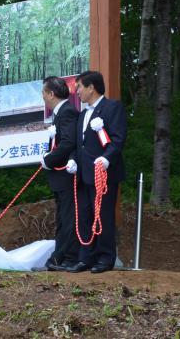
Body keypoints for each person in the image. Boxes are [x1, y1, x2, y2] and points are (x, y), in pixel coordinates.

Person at [63, 71, 127, 273]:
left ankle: (105, 258)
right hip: (82, 175)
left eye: (80, 87)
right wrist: (73, 160)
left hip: (103, 174)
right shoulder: (83, 114)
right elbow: (78, 144)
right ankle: (86, 258)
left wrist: (107, 158)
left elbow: (118, 138)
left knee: (103, 216)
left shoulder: (112, 107)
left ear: (91, 87)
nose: (77, 91)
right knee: (84, 216)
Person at [40, 76, 80, 271]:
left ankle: (68, 258)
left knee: (68, 216)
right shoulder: (61, 113)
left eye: (43, 92)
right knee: (62, 216)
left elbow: (68, 143)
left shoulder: (67, 112)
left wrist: (48, 160)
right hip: (60, 177)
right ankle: (60, 256)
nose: (43, 97)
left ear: (51, 94)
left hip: (67, 175)